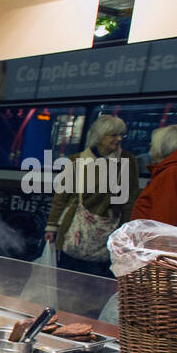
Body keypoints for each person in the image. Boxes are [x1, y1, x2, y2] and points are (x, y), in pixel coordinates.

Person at [44, 113, 141, 277]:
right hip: (73, 227)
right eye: (113, 135)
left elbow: (130, 199)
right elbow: (61, 197)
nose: (119, 139)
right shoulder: (76, 161)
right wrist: (52, 226)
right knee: (67, 277)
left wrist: (125, 232)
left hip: (108, 230)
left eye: (121, 135)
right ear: (99, 136)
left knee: (96, 281)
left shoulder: (127, 161)